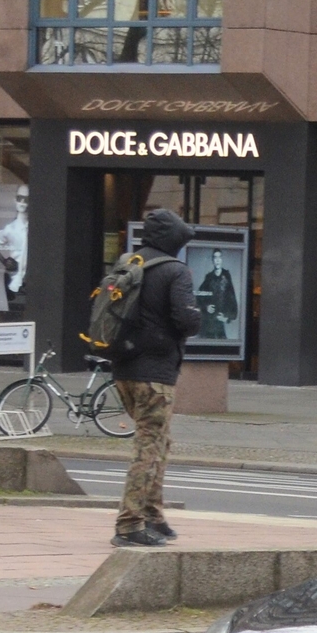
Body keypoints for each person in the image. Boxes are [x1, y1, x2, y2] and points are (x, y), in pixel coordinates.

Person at [112, 206, 203, 548]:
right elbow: (187, 321)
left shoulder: (129, 263)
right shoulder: (175, 271)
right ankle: (129, 523)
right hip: (156, 373)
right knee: (149, 447)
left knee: (159, 441)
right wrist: (195, 317)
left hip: (123, 368)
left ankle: (153, 514)